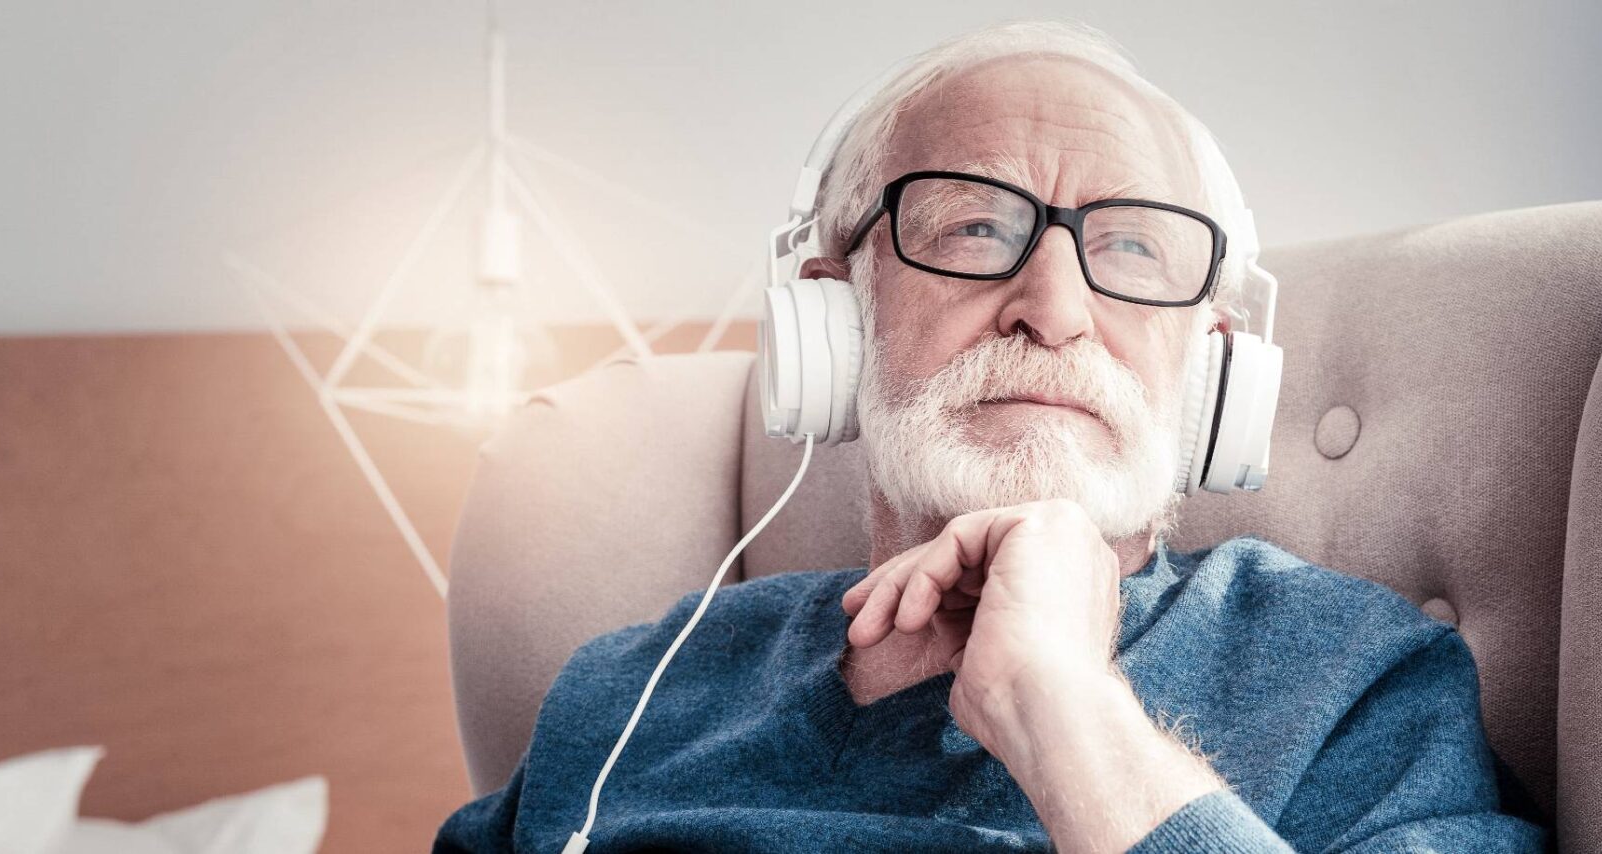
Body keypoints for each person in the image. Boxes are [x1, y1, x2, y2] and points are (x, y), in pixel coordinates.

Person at [436, 19, 1543, 853]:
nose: (1053, 308)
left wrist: (1061, 713)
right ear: (835, 316)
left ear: (1206, 363)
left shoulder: (1358, 677)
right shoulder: (635, 686)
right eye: (973, 225)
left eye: (1134, 250)